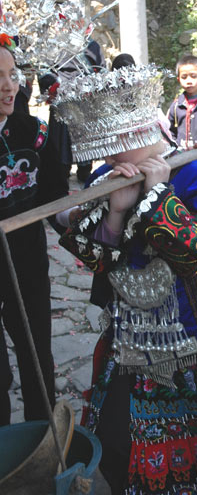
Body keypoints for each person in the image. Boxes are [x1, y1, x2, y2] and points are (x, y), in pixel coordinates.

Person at [55, 64, 197, 494]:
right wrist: (115, 210)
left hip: (191, 334)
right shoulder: (107, 180)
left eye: (114, 151)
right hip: (128, 334)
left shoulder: (195, 173)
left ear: (138, 137)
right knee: (118, 439)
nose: (108, 162)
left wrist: (157, 194)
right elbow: (96, 258)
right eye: (104, 154)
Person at [0, 37, 69, 426]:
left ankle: (42, 444)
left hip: (26, 261)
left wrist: (81, 215)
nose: (9, 86)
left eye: (12, 75)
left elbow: (57, 198)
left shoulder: (32, 131)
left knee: (36, 353)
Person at [38, 39, 106, 182]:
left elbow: (101, 69)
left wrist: (94, 85)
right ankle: (62, 172)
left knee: (86, 144)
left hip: (85, 97)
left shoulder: (92, 45)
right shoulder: (54, 43)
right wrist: (55, 85)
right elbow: (43, 69)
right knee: (60, 146)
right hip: (62, 96)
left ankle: (85, 170)